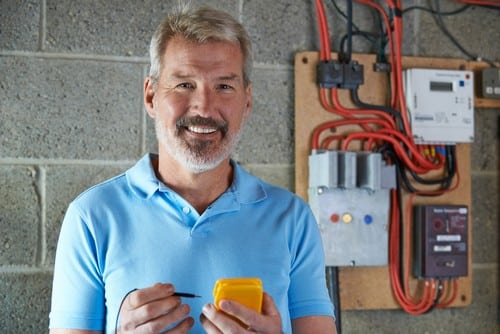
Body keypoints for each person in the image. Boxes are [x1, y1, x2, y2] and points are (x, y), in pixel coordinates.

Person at [49, 4, 336, 334]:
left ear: (247, 101)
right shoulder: (91, 216)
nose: (203, 106)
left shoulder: (293, 219)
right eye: (184, 84)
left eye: (224, 86)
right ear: (151, 96)